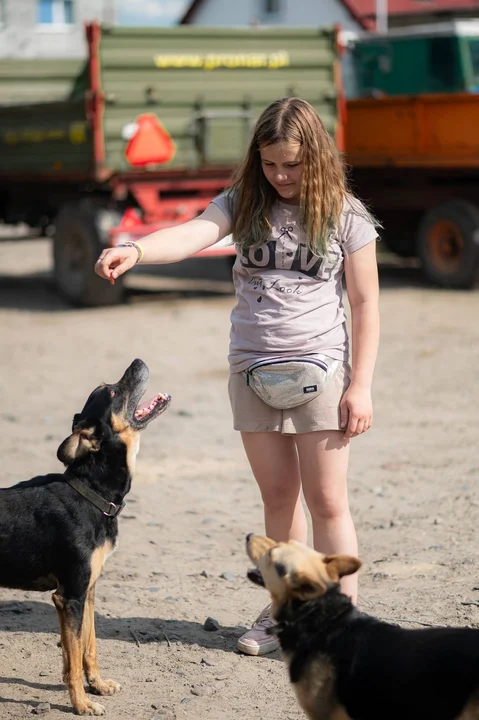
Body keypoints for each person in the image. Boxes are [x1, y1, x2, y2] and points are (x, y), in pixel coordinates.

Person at [95, 97, 380, 657]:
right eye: (272, 164)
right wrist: (135, 248)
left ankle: (342, 622)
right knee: (278, 499)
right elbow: (189, 235)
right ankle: (286, 612)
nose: (281, 175)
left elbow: (366, 303)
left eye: (293, 165)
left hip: (321, 370)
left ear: (316, 157)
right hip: (250, 370)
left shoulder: (347, 214)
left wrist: (360, 385)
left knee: (327, 503)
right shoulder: (243, 202)